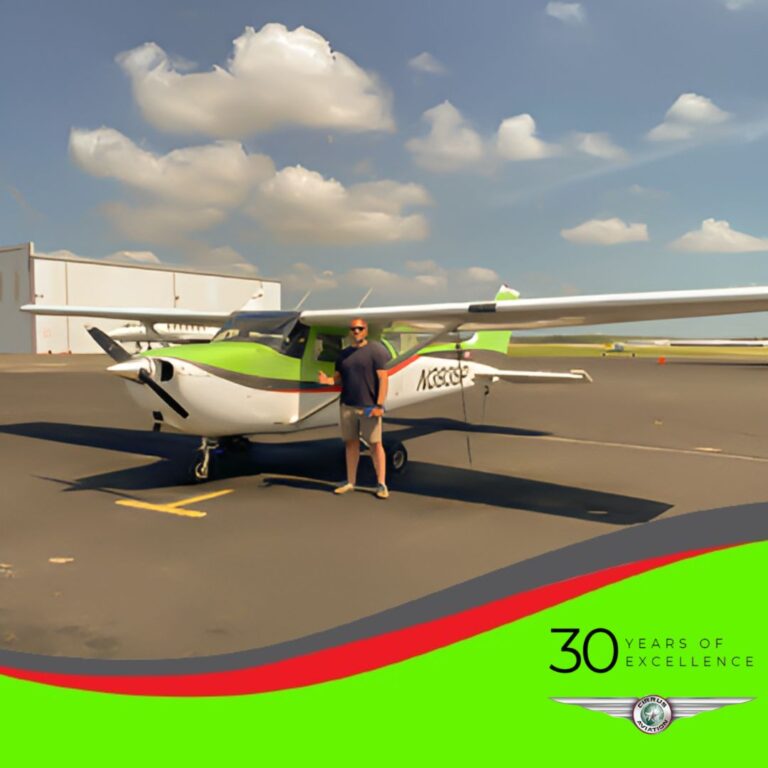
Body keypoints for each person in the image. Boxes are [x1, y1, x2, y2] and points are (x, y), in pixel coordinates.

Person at [318, 318, 390, 499]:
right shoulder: (343, 355)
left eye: (360, 328)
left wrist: (379, 405)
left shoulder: (375, 351)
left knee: (375, 444)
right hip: (347, 405)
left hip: (368, 406)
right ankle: (351, 482)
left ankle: (381, 484)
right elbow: (338, 377)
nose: (356, 331)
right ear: (350, 332)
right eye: (353, 329)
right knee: (351, 444)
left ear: (366, 330)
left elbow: (383, 378)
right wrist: (327, 381)